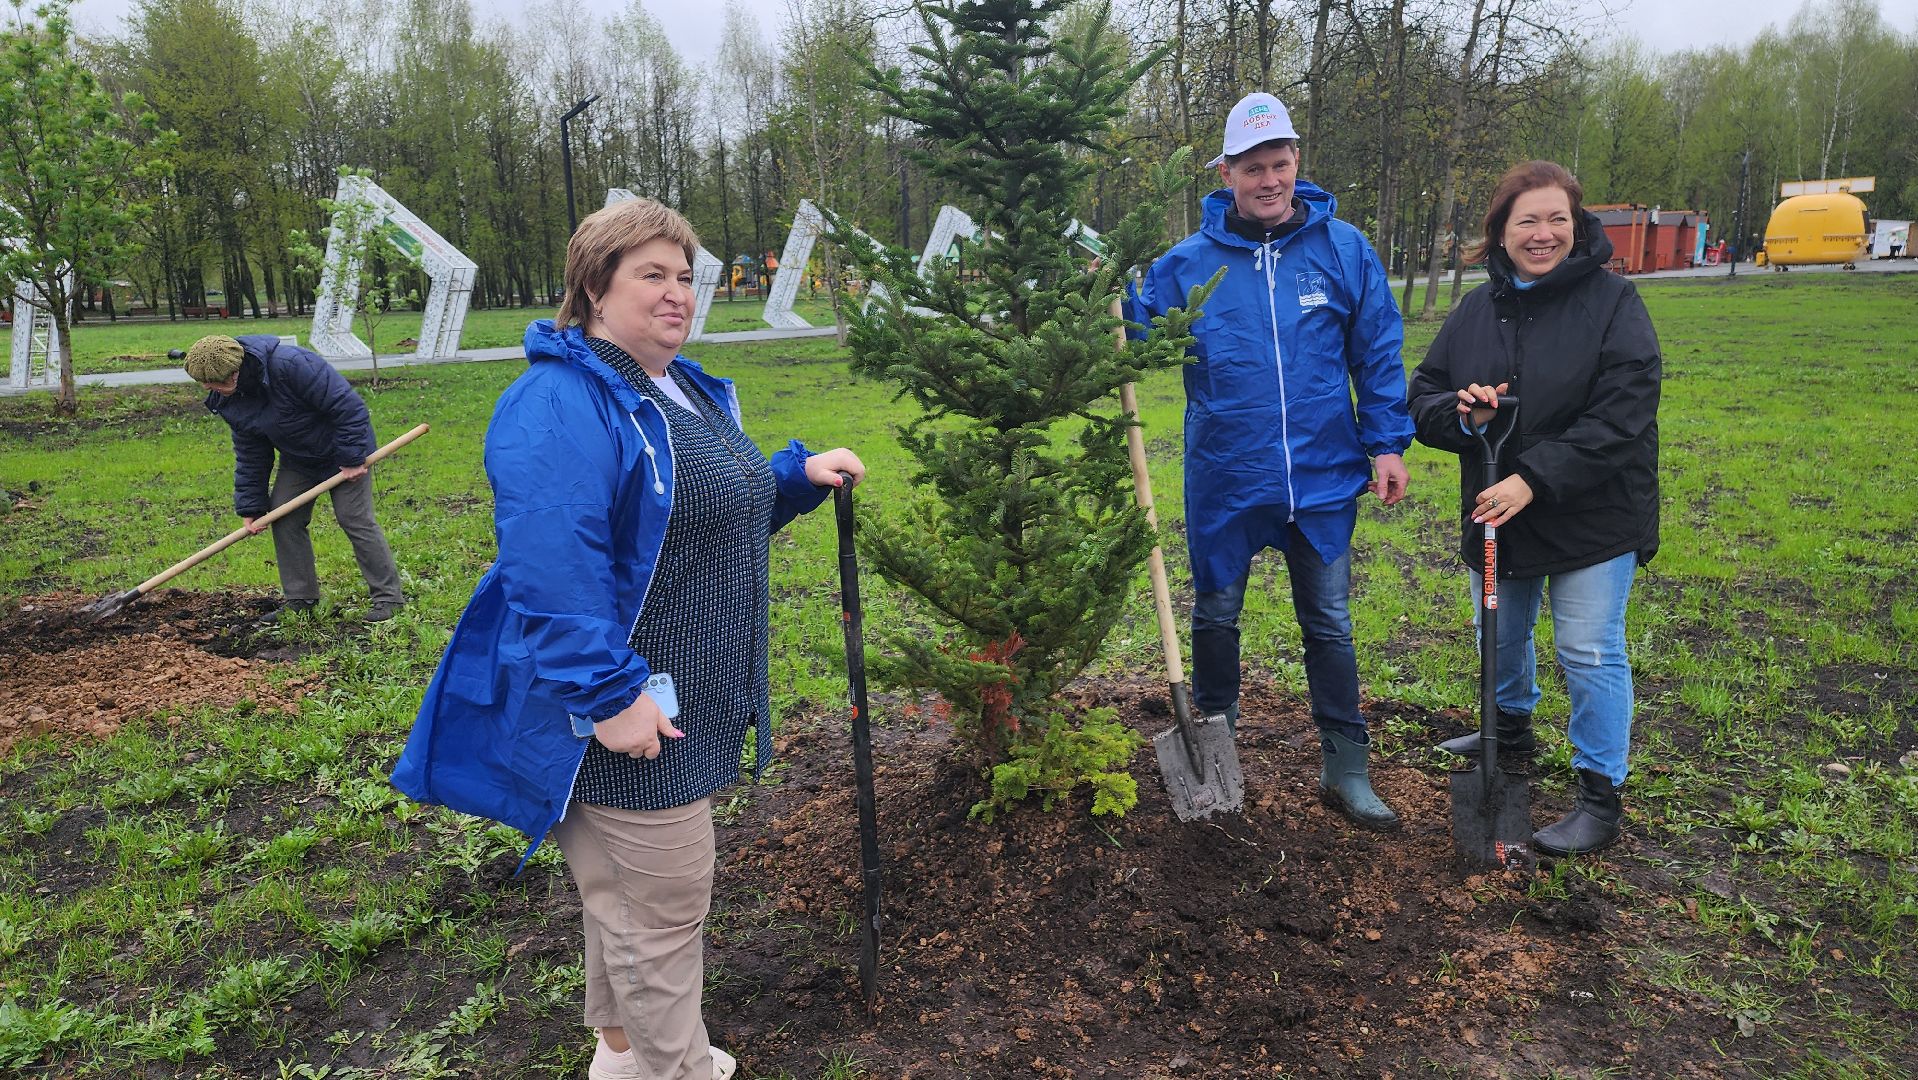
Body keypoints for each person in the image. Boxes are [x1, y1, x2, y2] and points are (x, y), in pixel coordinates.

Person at [390, 197, 863, 1080]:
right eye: (652, 274)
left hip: (677, 694)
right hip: (620, 706)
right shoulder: (560, 401)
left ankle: (619, 1047)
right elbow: (550, 566)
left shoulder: (673, 387)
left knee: (624, 893)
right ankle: (673, 1070)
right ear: (594, 288)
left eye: (686, 276)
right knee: (664, 902)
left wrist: (791, 480)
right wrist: (611, 697)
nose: (678, 293)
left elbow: (692, 517)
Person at [1130, 92, 1415, 831]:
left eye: (1280, 164)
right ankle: (1216, 752)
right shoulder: (1185, 266)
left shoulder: (1342, 249)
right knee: (1217, 614)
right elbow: (1132, 338)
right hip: (1227, 476)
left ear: (1296, 164)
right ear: (1226, 172)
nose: (1268, 180)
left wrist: (1385, 441)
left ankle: (1345, 768)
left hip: (1323, 476)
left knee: (1330, 620)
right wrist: (1105, 303)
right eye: (1252, 167)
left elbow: (1377, 349)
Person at [1408, 160, 1661, 857]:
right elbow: (1424, 392)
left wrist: (1533, 479)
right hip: (1497, 503)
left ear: (1577, 226)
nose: (1543, 233)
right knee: (1501, 634)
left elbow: (1624, 415)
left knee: (1587, 648)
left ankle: (1598, 795)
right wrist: (1459, 414)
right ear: (1502, 231)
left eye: (1558, 219)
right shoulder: (1474, 310)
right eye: (1528, 220)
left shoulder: (1614, 303)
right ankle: (1508, 729)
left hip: (1593, 513)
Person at [185, 334, 404, 623]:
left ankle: (389, 599)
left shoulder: (293, 365)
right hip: (299, 459)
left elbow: (348, 408)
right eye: (206, 385)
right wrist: (251, 506)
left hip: (344, 450)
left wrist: (351, 458)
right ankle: (301, 599)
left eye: (217, 384)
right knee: (284, 517)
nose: (211, 390)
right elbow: (252, 451)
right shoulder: (229, 398)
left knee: (354, 517)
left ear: (236, 371)